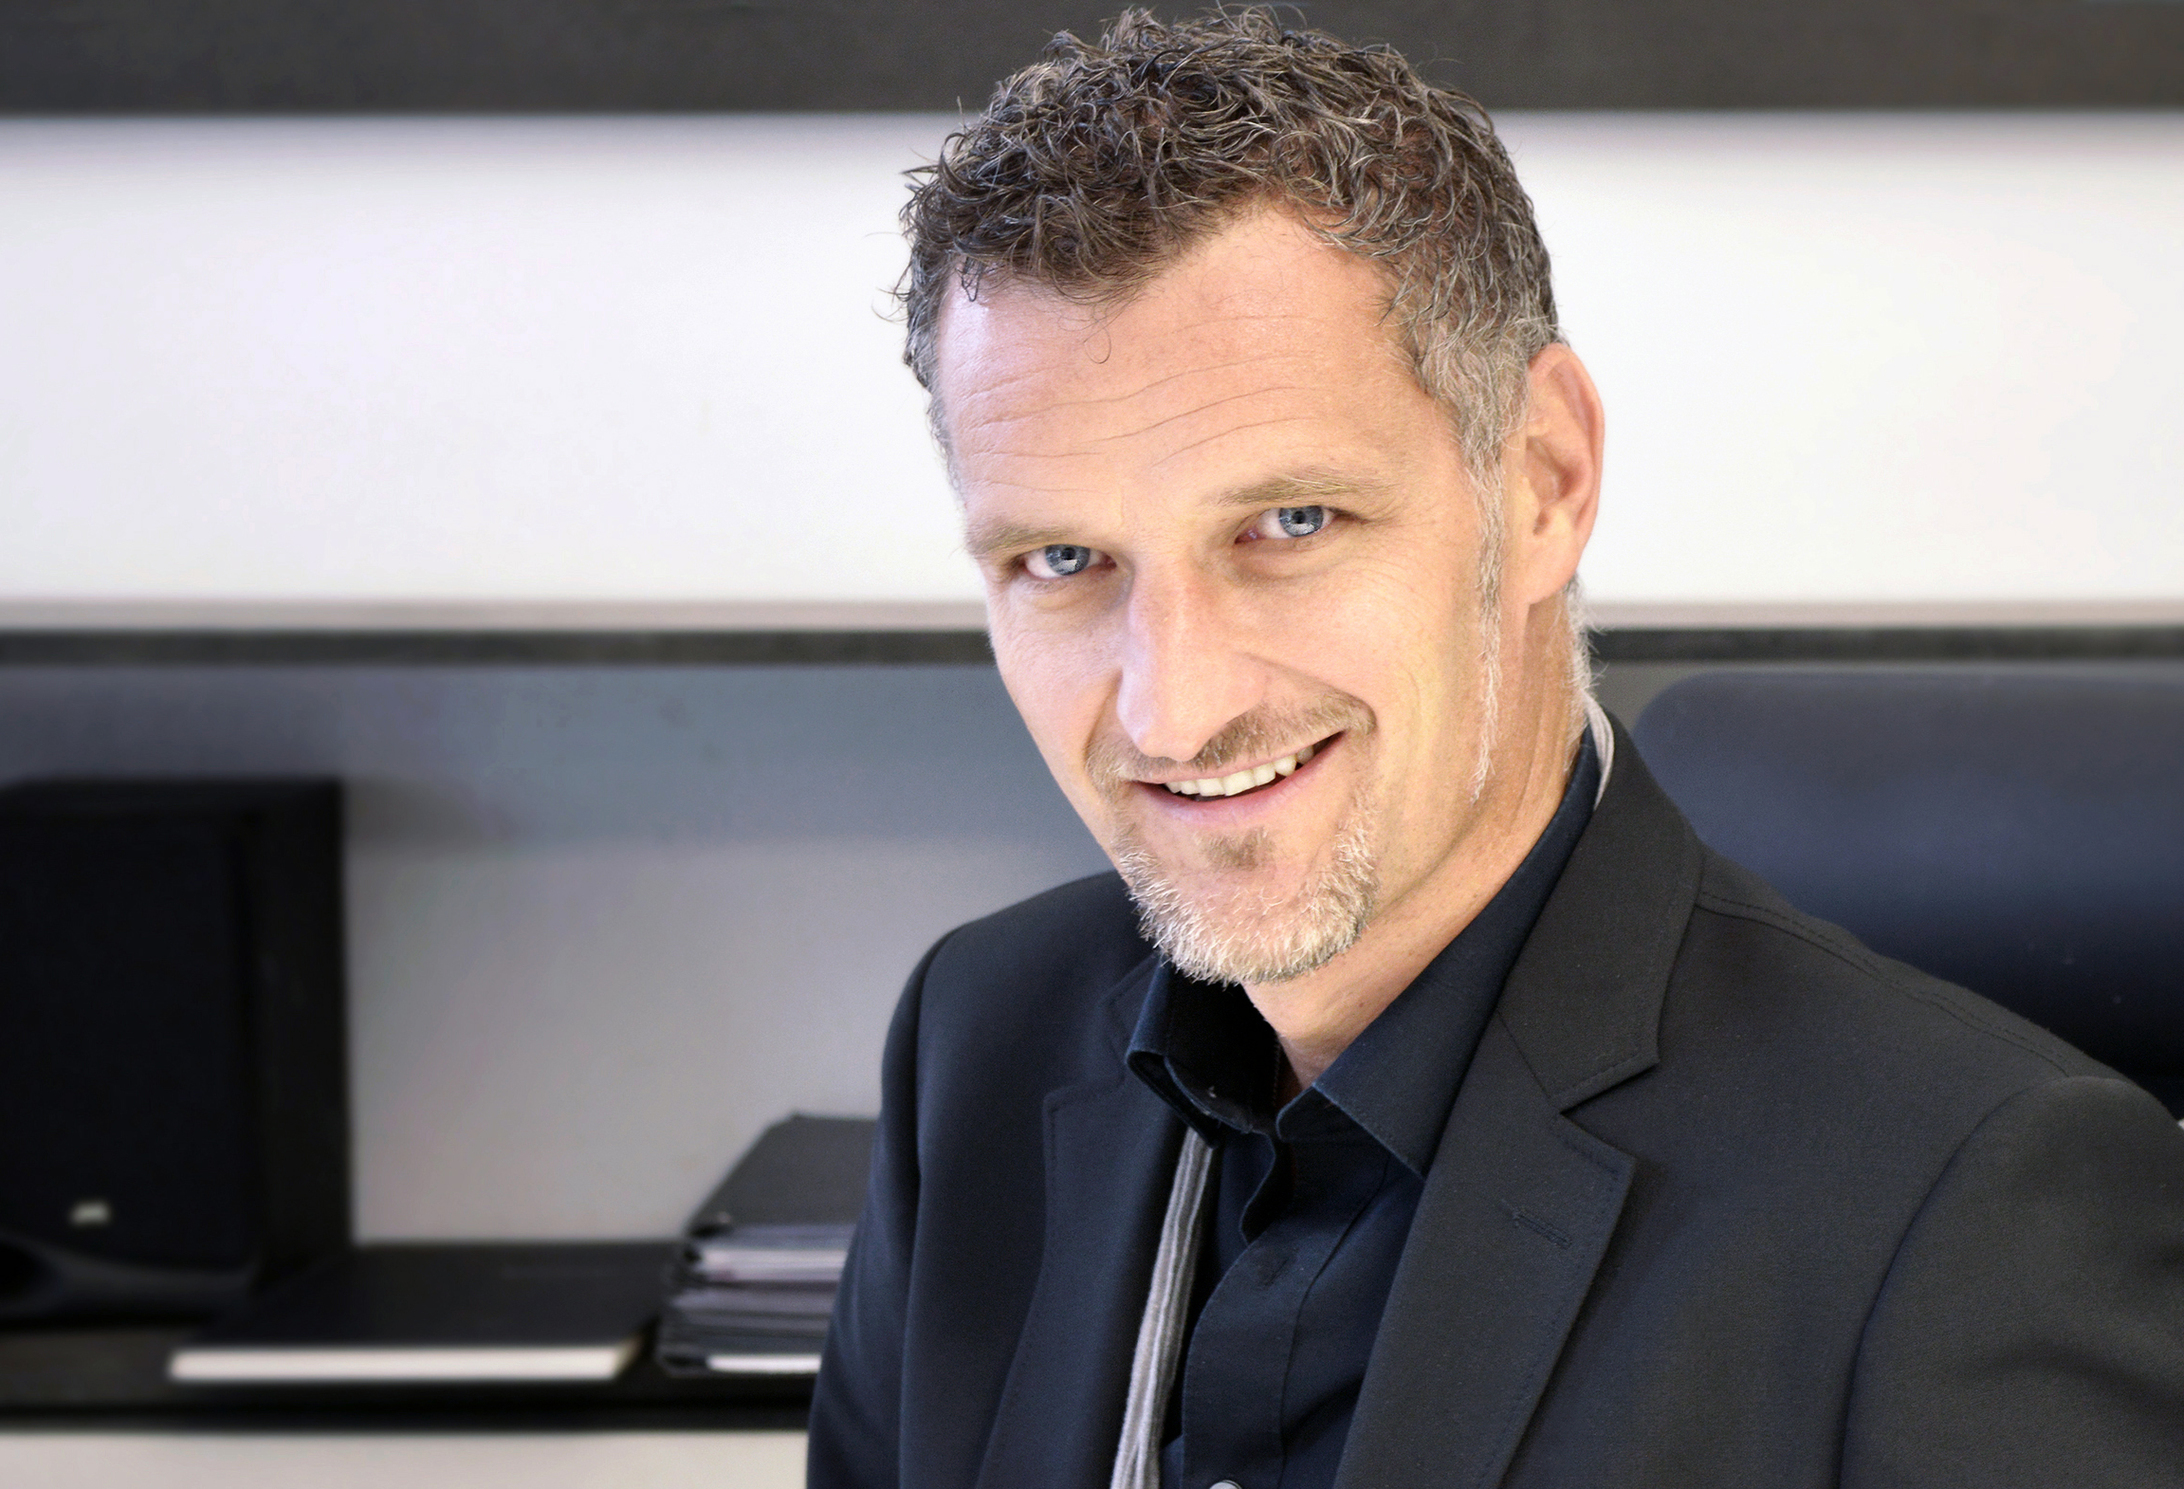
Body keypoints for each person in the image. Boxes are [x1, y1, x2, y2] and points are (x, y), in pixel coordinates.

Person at [807, 11, 2184, 1488]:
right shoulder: (978, 1040)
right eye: (1063, 559)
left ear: (1542, 483)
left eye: (1289, 524)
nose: (1171, 710)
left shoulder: (1969, 1213)